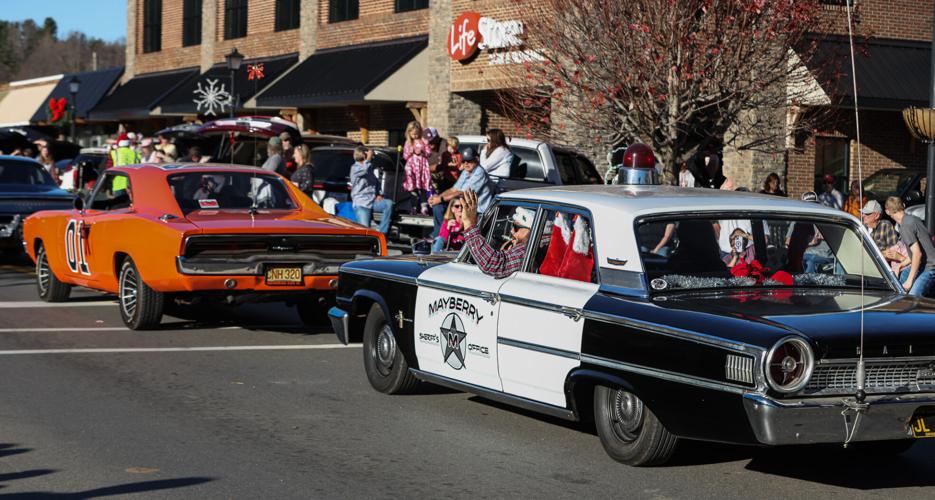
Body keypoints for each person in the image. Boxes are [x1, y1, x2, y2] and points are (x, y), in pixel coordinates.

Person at [460, 189, 533, 278]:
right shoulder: (540, 244)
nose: (512, 231)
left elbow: (494, 264)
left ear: (531, 229)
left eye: (516, 227)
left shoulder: (528, 249)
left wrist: (469, 224)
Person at [885, 196, 935, 296]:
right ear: (903, 205)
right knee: (897, 285)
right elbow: (916, 253)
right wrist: (901, 265)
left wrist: (909, 281)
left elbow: (917, 254)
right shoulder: (912, 219)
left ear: (887, 212)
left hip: (930, 267)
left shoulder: (905, 226)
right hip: (922, 265)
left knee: (912, 296)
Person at [429, 147, 494, 221]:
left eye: (469, 160)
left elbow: (462, 193)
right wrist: (436, 198)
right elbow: (454, 189)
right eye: (463, 161)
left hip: (478, 212)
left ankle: (445, 228)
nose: (466, 163)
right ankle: (443, 228)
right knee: (438, 206)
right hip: (465, 208)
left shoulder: (479, 172)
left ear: (476, 159)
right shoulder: (466, 171)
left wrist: (440, 199)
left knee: (442, 205)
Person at [350, 146, 394, 236]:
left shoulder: (369, 169)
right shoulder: (355, 168)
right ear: (364, 155)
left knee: (388, 204)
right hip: (362, 204)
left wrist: (379, 194)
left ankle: (382, 233)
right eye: (370, 155)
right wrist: (368, 158)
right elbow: (364, 170)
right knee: (365, 232)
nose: (372, 157)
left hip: (372, 201)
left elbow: (375, 183)